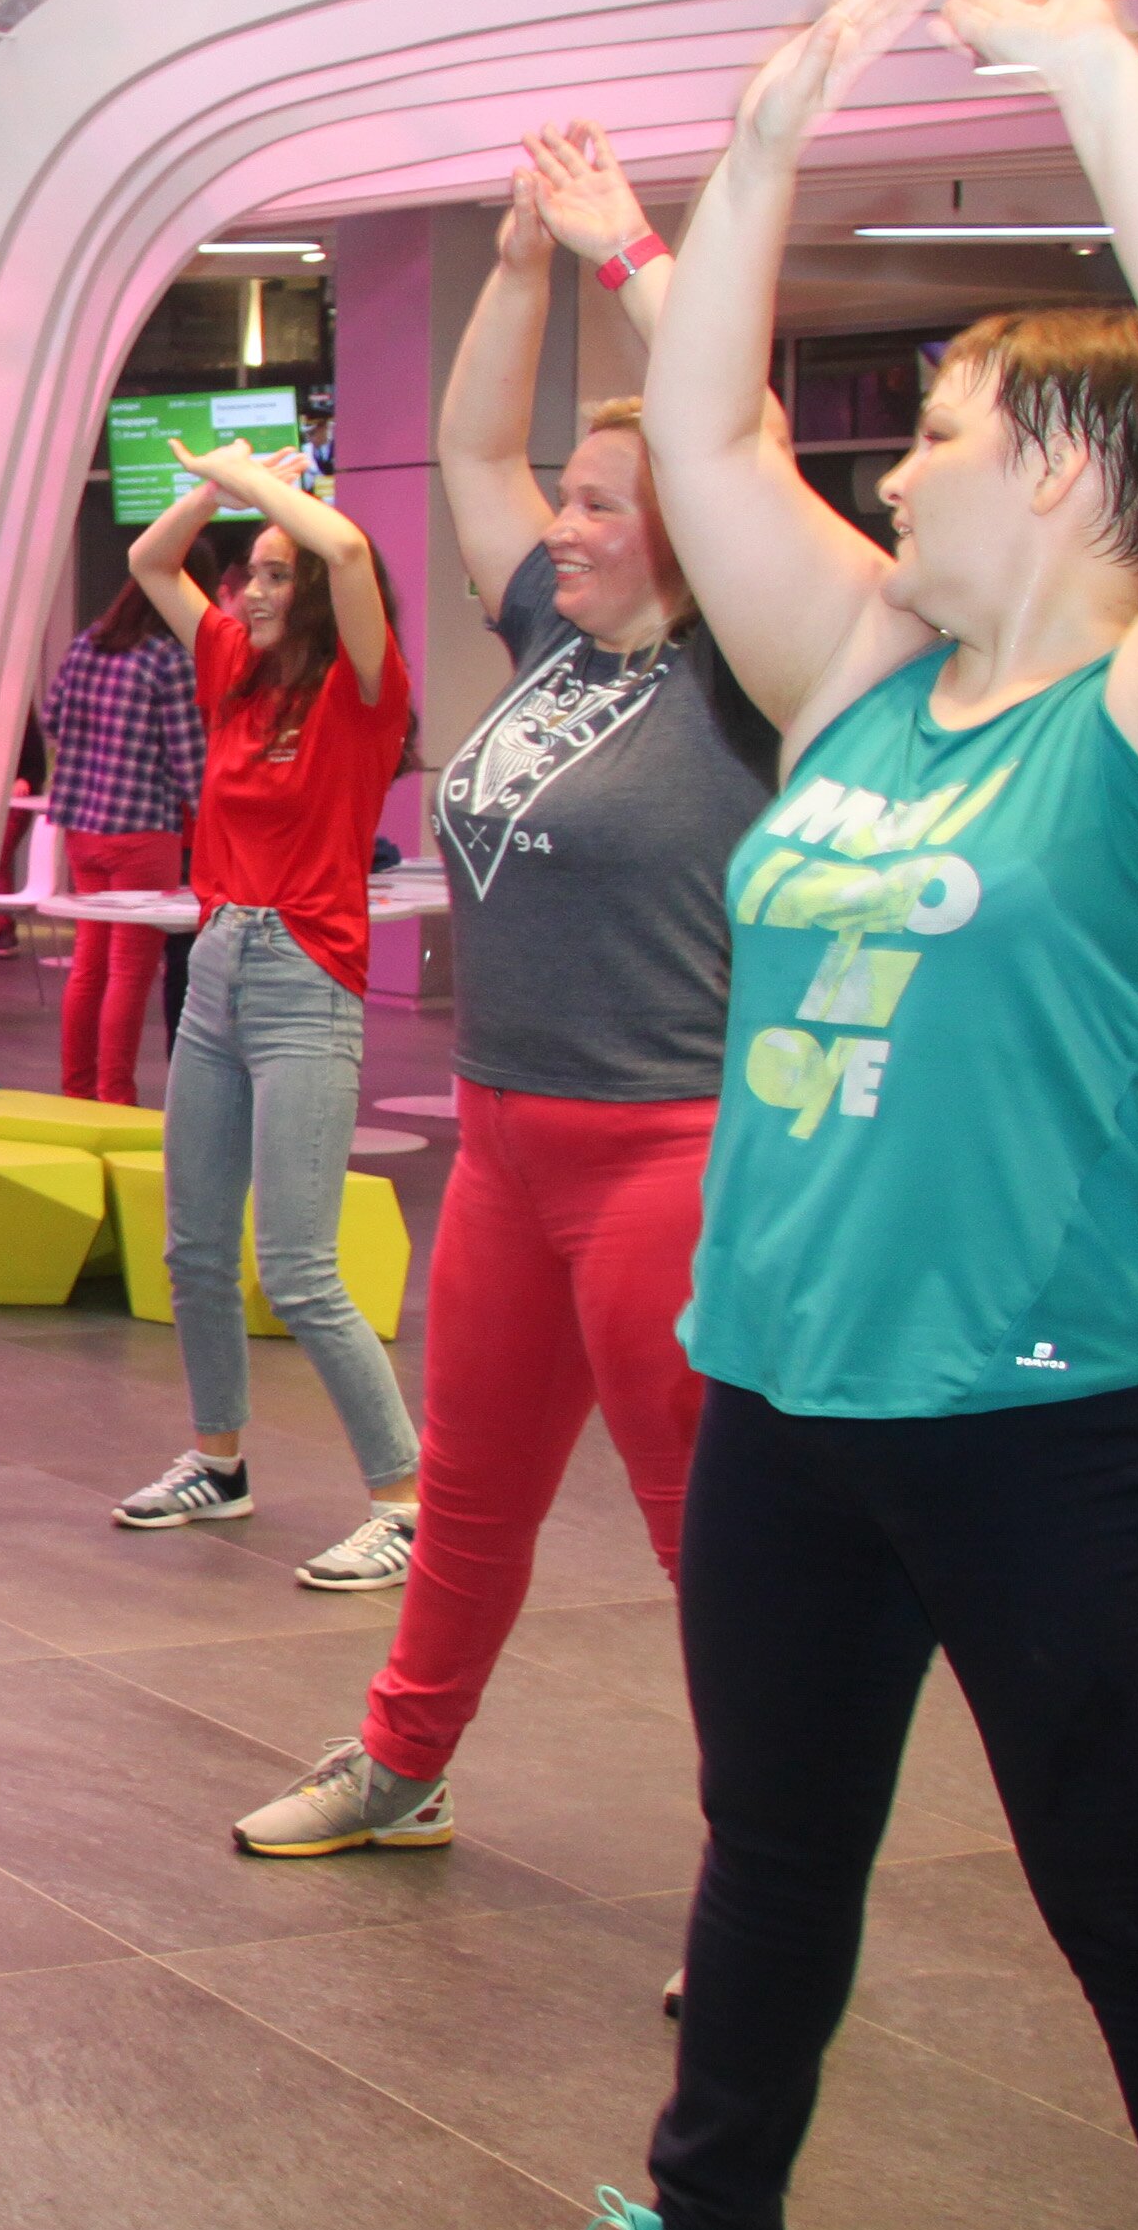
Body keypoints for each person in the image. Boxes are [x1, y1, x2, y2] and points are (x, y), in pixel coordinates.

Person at [483, 0, 1138, 2230]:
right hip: (788, 1391)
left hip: (1049, 1419)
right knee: (771, 1853)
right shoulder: (868, 675)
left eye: (952, 430)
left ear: (1073, 475)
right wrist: (761, 142)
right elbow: (716, 435)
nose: (903, 465)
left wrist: (1101, 75)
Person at [233, 142, 775, 1849]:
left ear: (692, 521)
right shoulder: (555, 629)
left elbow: (746, 446)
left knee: (704, 1533)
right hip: (502, 1143)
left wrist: (631, 257)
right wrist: (523, 265)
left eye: (603, 502)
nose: (563, 525)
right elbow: (472, 450)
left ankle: (765, 1871)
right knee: (466, 1496)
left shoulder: (751, 673)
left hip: (663, 1153)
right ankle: (400, 1766)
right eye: (570, 499)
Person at [109, 442, 421, 1566]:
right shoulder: (233, 667)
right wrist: (214, 489)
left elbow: (349, 550)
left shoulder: (363, 693)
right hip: (219, 968)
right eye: (248, 570)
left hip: (307, 980)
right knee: (194, 1248)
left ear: (322, 593)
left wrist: (263, 487)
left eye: (275, 575)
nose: (248, 589)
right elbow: (151, 562)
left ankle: (405, 1504)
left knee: (298, 1267)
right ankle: (219, 1462)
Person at [36, 578, 202, 1103]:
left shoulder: (85, 645)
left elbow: (52, 719)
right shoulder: (169, 660)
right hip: (143, 826)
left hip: (82, 827)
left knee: (89, 965)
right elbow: (190, 760)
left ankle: (77, 1090)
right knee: (129, 972)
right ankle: (116, 1095)